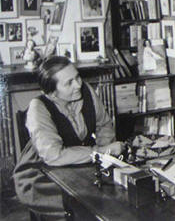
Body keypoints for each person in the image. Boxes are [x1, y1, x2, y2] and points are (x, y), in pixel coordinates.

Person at [13, 56, 124, 217]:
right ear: (52, 92)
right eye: (69, 83)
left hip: (79, 163)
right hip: (42, 173)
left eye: (77, 77)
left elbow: (104, 124)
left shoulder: (85, 91)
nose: (78, 84)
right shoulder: (38, 108)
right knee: (83, 204)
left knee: (113, 194)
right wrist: (100, 151)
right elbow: (53, 156)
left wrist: (105, 157)